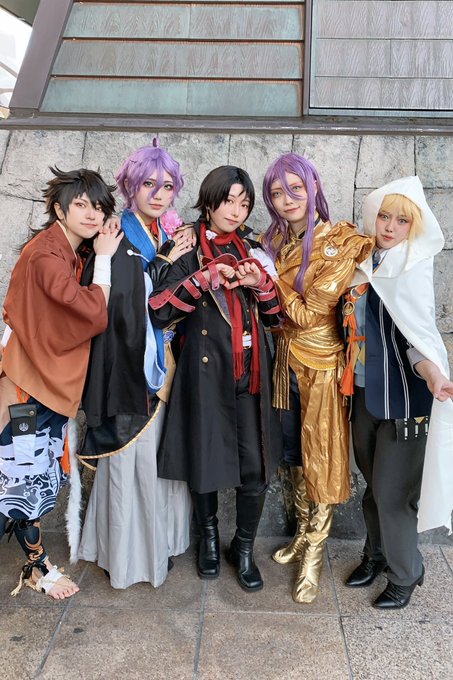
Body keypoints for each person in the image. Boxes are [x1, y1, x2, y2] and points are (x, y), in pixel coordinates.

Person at [149, 165, 282, 592]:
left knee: (256, 467)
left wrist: (260, 283)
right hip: (205, 375)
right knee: (205, 460)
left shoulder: (255, 250)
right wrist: (204, 279)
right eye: (228, 201)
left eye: (244, 203)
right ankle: (208, 538)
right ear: (208, 202)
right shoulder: (186, 248)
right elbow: (159, 309)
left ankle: (243, 547)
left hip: (251, 376)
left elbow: (278, 319)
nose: (236, 210)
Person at [0, 167, 121, 599]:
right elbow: (90, 313)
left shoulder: (61, 249)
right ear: (58, 209)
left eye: (99, 207)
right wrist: (104, 257)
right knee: (23, 476)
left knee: (25, 475)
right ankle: (37, 568)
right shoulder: (48, 256)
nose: (91, 215)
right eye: (81, 205)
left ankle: (36, 564)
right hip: (28, 389)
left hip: (35, 382)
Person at [78, 141, 193, 589]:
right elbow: (121, 305)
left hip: (165, 364)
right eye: (149, 184)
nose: (159, 195)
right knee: (132, 460)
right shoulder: (117, 235)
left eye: (167, 186)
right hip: (129, 365)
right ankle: (128, 559)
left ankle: (159, 544)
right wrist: (164, 264)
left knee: (159, 458)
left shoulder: (166, 230)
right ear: (130, 186)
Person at [261, 152, 373, 603]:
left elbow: (308, 314)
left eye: (295, 189)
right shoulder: (274, 241)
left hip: (322, 367)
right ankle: (301, 534)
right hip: (283, 361)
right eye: (277, 193)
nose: (287, 199)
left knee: (320, 458)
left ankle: (315, 552)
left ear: (313, 189)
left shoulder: (338, 241)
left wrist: (266, 277)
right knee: (292, 453)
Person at [342, 176, 453, 609]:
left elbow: (417, 338)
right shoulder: (363, 263)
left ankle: (406, 573)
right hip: (363, 394)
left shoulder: (411, 269)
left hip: (405, 398)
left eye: (401, 220)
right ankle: (375, 555)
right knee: (373, 485)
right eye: (384, 216)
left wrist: (434, 375)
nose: (389, 226)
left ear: (414, 226)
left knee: (394, 493)